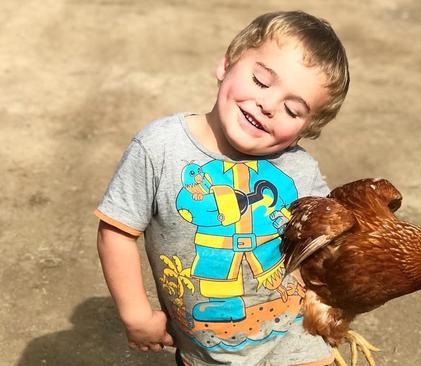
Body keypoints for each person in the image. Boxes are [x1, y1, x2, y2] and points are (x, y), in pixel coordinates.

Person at [95, 10, 349, 366]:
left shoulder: (300, 169)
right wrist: (136, 315)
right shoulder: (160, 148)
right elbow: (117, 231)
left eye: (292, 110)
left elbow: (331, 247)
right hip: (207, 349)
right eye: (261, 81)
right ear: (226, 63)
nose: (268, 105)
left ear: (307, 128)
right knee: (218, 288)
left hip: (295, 341)